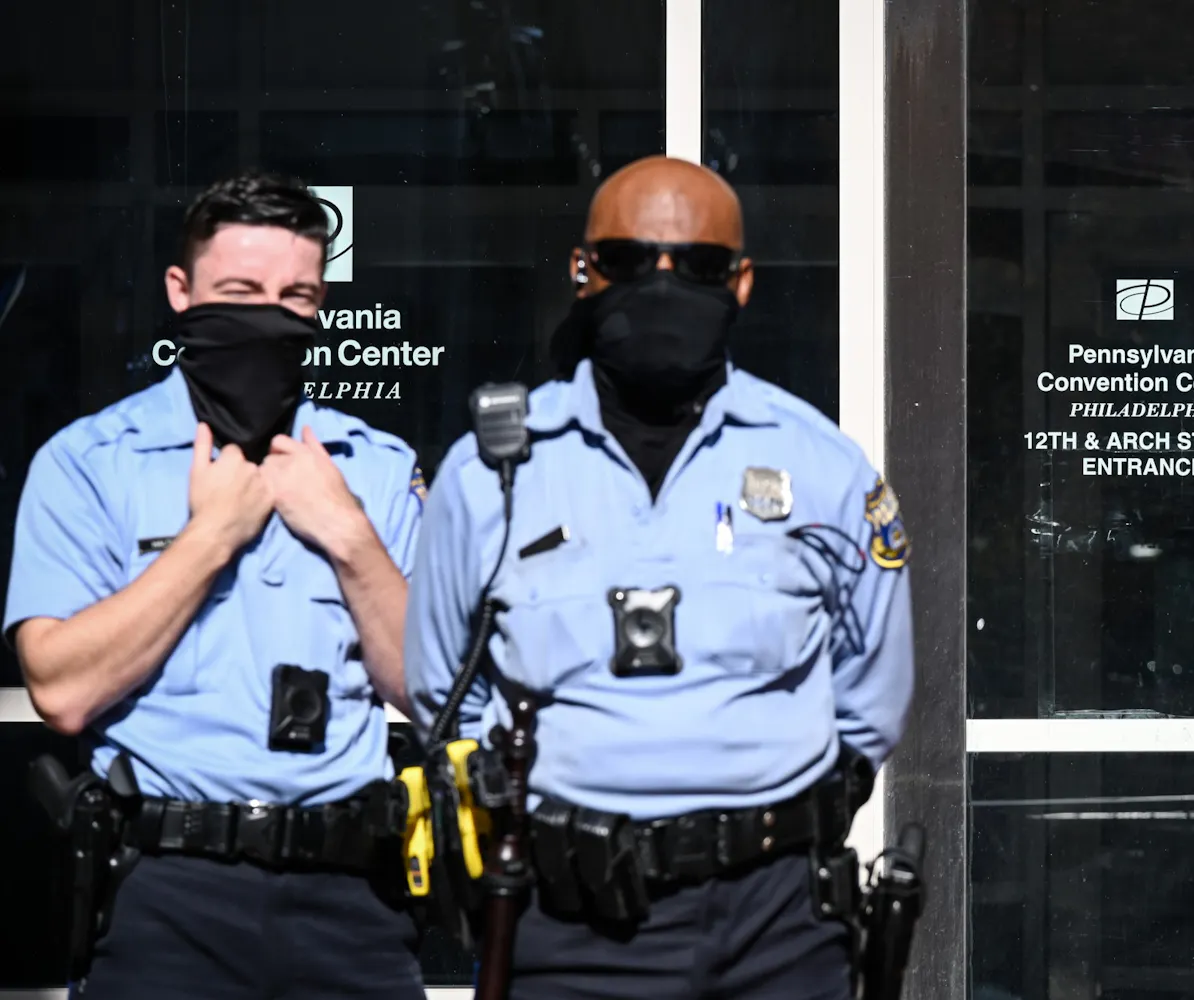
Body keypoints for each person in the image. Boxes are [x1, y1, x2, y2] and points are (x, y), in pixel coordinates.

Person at [406, 155, 915, 999]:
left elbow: (873, 694)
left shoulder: (821, 466)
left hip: (777, 925)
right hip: (572, 921)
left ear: (741, 283)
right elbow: (441, 686)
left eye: (700, 267)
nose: (662, 285)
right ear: (584, 272)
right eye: (631, 261)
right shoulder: (490, 472)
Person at [5, 171, 426, 999]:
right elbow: (60, 689)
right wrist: (210, 539)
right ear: (181, 292)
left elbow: (425, 684)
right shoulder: (89, 464)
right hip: (166, 893)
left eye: (294, 296)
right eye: (239, 291)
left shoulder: (372, 469)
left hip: (351, 901)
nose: (268, 316)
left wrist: (347, 536)